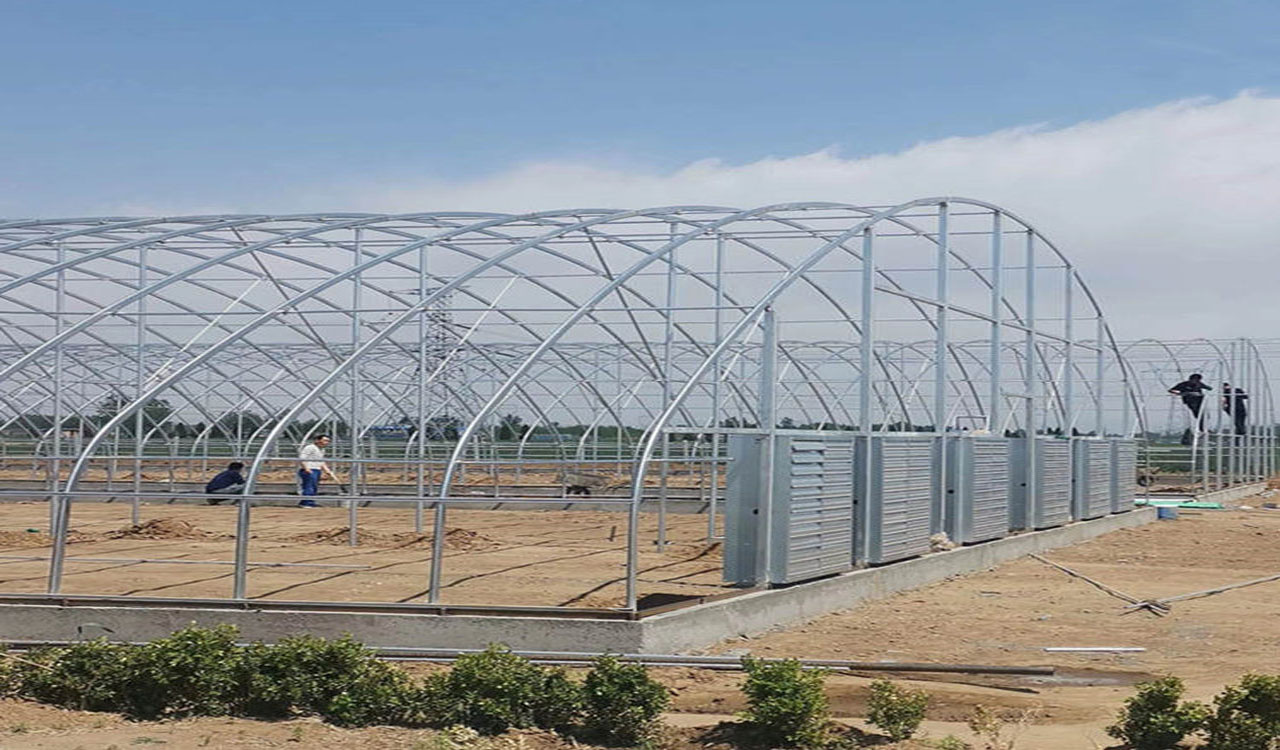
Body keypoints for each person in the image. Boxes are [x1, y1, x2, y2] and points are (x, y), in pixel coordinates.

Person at [1168, 374, 1212, 444]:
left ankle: (1203, 428)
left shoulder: (1199, 384)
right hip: (1190, 401)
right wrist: (1182, 393)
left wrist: (1201, 391)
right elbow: (1171, 390)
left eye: (1198, 380)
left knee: (1202, 415)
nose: (1196, 382)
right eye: (1195, 380)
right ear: (1190, 379)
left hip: (1199, 401)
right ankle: (1201, 428)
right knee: (1197, 413)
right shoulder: (1183, 385)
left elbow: (1209, 388)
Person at [297, 435, 338, 507]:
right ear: (318, 440)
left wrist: (327, 471)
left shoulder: (321, 450)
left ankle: (309, 502)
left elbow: (321, 462)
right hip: (309, 469)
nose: (326, 442)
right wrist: (306, 468)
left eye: (328, 441)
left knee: (314, 487)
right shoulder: (310, 447)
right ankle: (307, 503)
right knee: (309, 486)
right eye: (325, 440)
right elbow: (302, 458)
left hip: (316, 469)